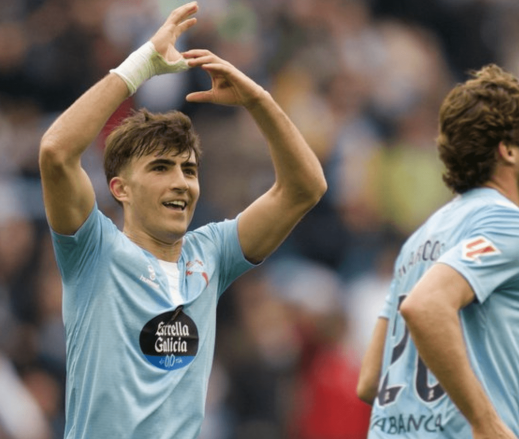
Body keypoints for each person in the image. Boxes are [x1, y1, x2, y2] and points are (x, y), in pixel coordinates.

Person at [37, 2, 326, 438]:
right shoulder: (92, 250)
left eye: (188, 170)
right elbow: (56, 153)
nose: (181, 183)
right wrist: (140, 67)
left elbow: (304, 188)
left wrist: (258, 99)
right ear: (120, 188)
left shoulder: (211, 252)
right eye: (160, 168)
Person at [357, 64, 519, 439]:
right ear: (507, 150)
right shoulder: (507, 223)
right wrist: (485, 422)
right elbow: (426, 307)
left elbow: (370, 380)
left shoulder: (420, 239)